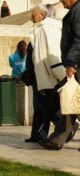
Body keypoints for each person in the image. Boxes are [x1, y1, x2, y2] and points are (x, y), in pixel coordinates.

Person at [39, 0, 80, 150]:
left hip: (76, 65)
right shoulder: (74, 11)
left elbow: (79, 40)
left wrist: (70, 64)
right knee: (70, 101)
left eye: (63, 0)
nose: (62, 2)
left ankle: (57, 139)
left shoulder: (77, 11)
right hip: (75, 64)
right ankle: (57, 139)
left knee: (71, 101)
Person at [24, 5, 66, 142]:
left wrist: (61, 75)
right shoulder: (38, 31)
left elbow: (53, 54)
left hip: (48, 77)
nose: (31, 17)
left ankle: (65, 128)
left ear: (42, 15)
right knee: (40, 107)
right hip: (40, 77)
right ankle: (38, 135)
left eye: (34, 14)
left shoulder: (47, 29)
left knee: (47, 106)